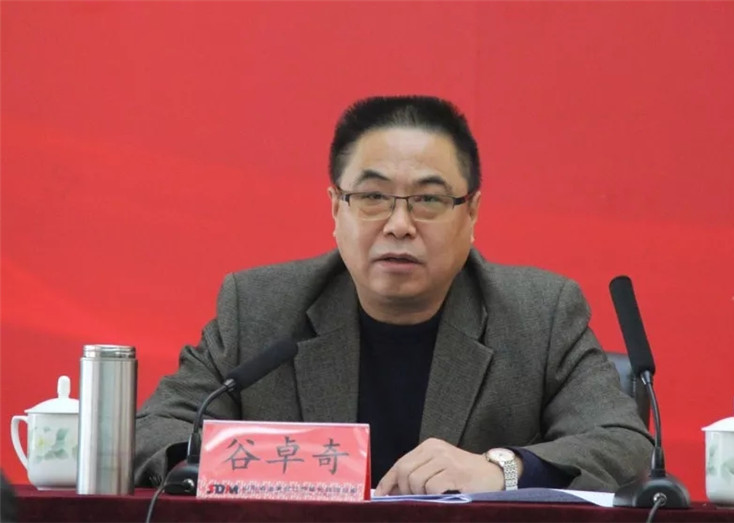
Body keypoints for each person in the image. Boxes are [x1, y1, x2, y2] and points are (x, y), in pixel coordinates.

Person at [134, 95, 653, 495]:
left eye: (428, 199)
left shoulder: (540, 315)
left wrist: (502, 469)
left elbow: (623, 443)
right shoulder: (258, 308)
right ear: (336, 208)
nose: (399, 224)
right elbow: (155, 429)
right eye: (373, 197)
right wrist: (259, 465)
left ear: (471, 212)